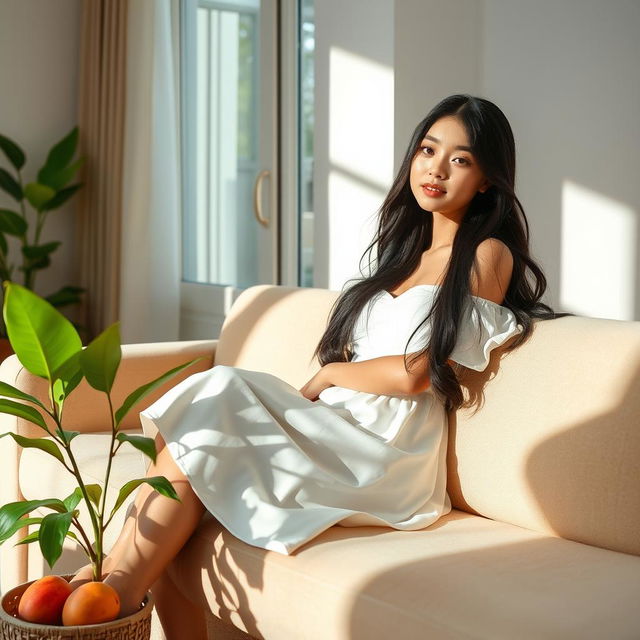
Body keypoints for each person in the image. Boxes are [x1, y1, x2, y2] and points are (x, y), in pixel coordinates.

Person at [70, 93, 568, 638]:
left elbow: (415, 374)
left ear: (487, 180)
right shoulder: (402, 259)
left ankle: (113, 590)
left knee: (218, 389)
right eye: (428, 149)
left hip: (385, 450)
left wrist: (330, 374)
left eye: (460, 159)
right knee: (195, 454)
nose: (436, 168)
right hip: (340, 426)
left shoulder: (486, 253)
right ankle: (117, 581)